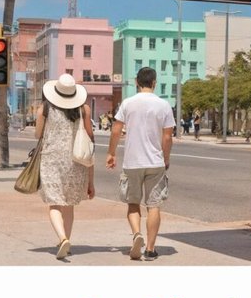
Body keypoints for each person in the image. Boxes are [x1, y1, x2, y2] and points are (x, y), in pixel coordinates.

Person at [106, 67, 175, 261]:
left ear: (137, 82)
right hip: (155, 162)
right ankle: (151, 249)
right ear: (154, 82)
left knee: (133, 202)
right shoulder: (164, 105)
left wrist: (111, 153)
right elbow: (168, 136)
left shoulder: (128, 103)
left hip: (132, 161)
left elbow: (115, 130)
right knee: (154, 205)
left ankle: (137, 234)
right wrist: (166, 158)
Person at [34, 75, 95, 260]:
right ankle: (67, 242)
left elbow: (38, 134)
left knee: (54, 203)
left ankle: (61, 238)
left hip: (51, 159)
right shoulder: (84, 109)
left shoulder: (44, 108)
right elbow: (90, 138)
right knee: (69, 205)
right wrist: (91, 180)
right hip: (76, 161)